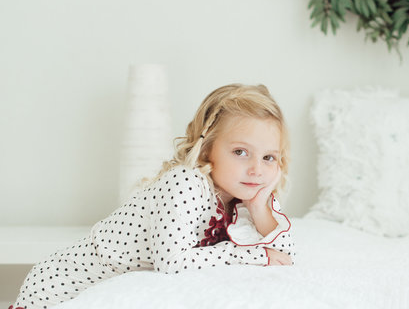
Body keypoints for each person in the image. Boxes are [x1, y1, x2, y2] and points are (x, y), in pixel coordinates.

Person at [10, 83, 295, 309]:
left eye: (269, 157)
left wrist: (260, 209)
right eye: (241, 152)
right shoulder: (185, 183)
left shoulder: (244, 196)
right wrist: (253, 255)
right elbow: (171, 262)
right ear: (207, 147)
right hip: (64, 284)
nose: (257, 169)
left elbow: (285, 256)